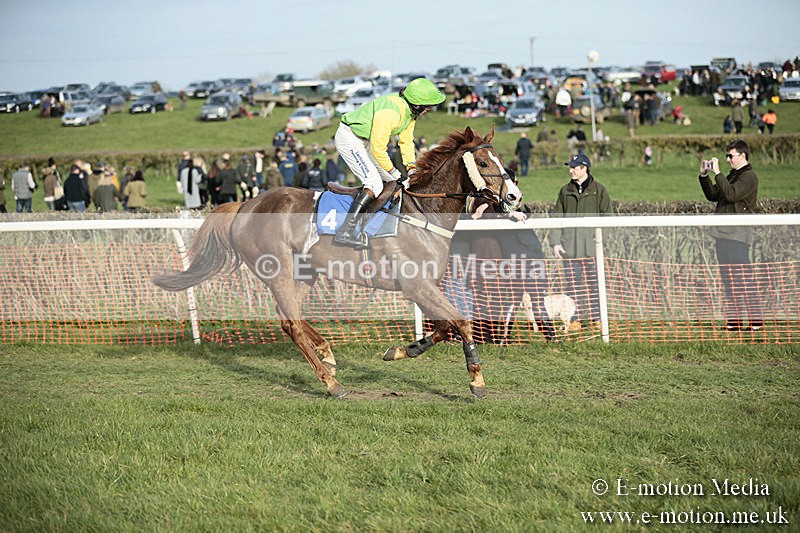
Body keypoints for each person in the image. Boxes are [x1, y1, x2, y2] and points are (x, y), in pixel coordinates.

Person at [333, 77, 445, 247]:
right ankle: (345, 231)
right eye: (427, 106)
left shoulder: (409, 114)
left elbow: (406, 142)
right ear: (417, 105)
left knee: (394, 183)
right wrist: (396, 173)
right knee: (374, 183)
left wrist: (411, 168)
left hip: (366, 142)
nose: (429, 109)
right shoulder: (391, 112)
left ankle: (372, 225)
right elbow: (378, 149)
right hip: (350, 139)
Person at [698, 139, 762, 332]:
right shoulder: (733, 175)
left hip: (738, 236)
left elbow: (732, 194)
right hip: (723, 235)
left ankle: (756, 322)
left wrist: (718, 173)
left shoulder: (749, 177)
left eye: (731, 156)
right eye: (726, 156)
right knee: (728, 280)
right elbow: (714, 195)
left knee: (743, 279)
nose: (727, 160)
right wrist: (704, 175)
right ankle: (734, 321)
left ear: (743, 156)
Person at [549, 154, 612, 332]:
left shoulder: (599, 190)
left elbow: (608, 217)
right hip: (570, 249)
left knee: (595, 285)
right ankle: (574, 319)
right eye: (570, 167)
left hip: (592, 250)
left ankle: (596, 319)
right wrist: (555, 242)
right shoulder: (564, 191)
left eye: (574, 167)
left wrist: (600, 240)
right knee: (572, 286)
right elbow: (557, 217)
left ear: (584, 168)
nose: (571, 170)